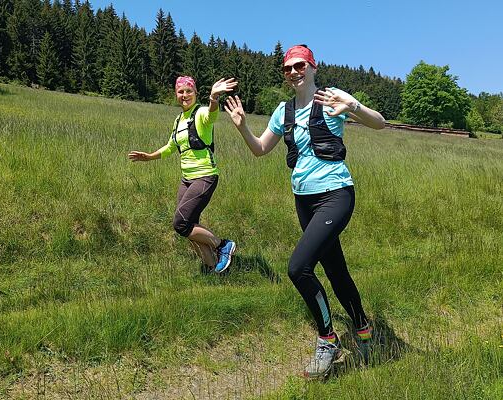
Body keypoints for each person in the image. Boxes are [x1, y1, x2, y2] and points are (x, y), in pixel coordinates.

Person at [224, 44, 385, 377]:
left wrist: (353, 105)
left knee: (298, 268)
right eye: (288, 68)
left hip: (336, 195)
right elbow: (259, 150)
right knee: (336, 270)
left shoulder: (331, 98)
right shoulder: (283, 112)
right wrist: (241, 126)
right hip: (304, 200)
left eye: (300, 66)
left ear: (313, 68)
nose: (294, 72)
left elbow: (379, 123)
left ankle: (327, 338)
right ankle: (363, 327)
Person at [128, 76, 238, 274]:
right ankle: (213, 269)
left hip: (205, 176)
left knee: (180, 223)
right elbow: (171, 147)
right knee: (189, 228)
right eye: (181, 92)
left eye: (189, 91)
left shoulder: (201, 112)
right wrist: (149, 156)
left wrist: (213, 97)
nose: (184, 95)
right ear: (176, 95)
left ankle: (222, 245)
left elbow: (212, 115)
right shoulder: (178, 120)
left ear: (195, 93)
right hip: (187, 179)